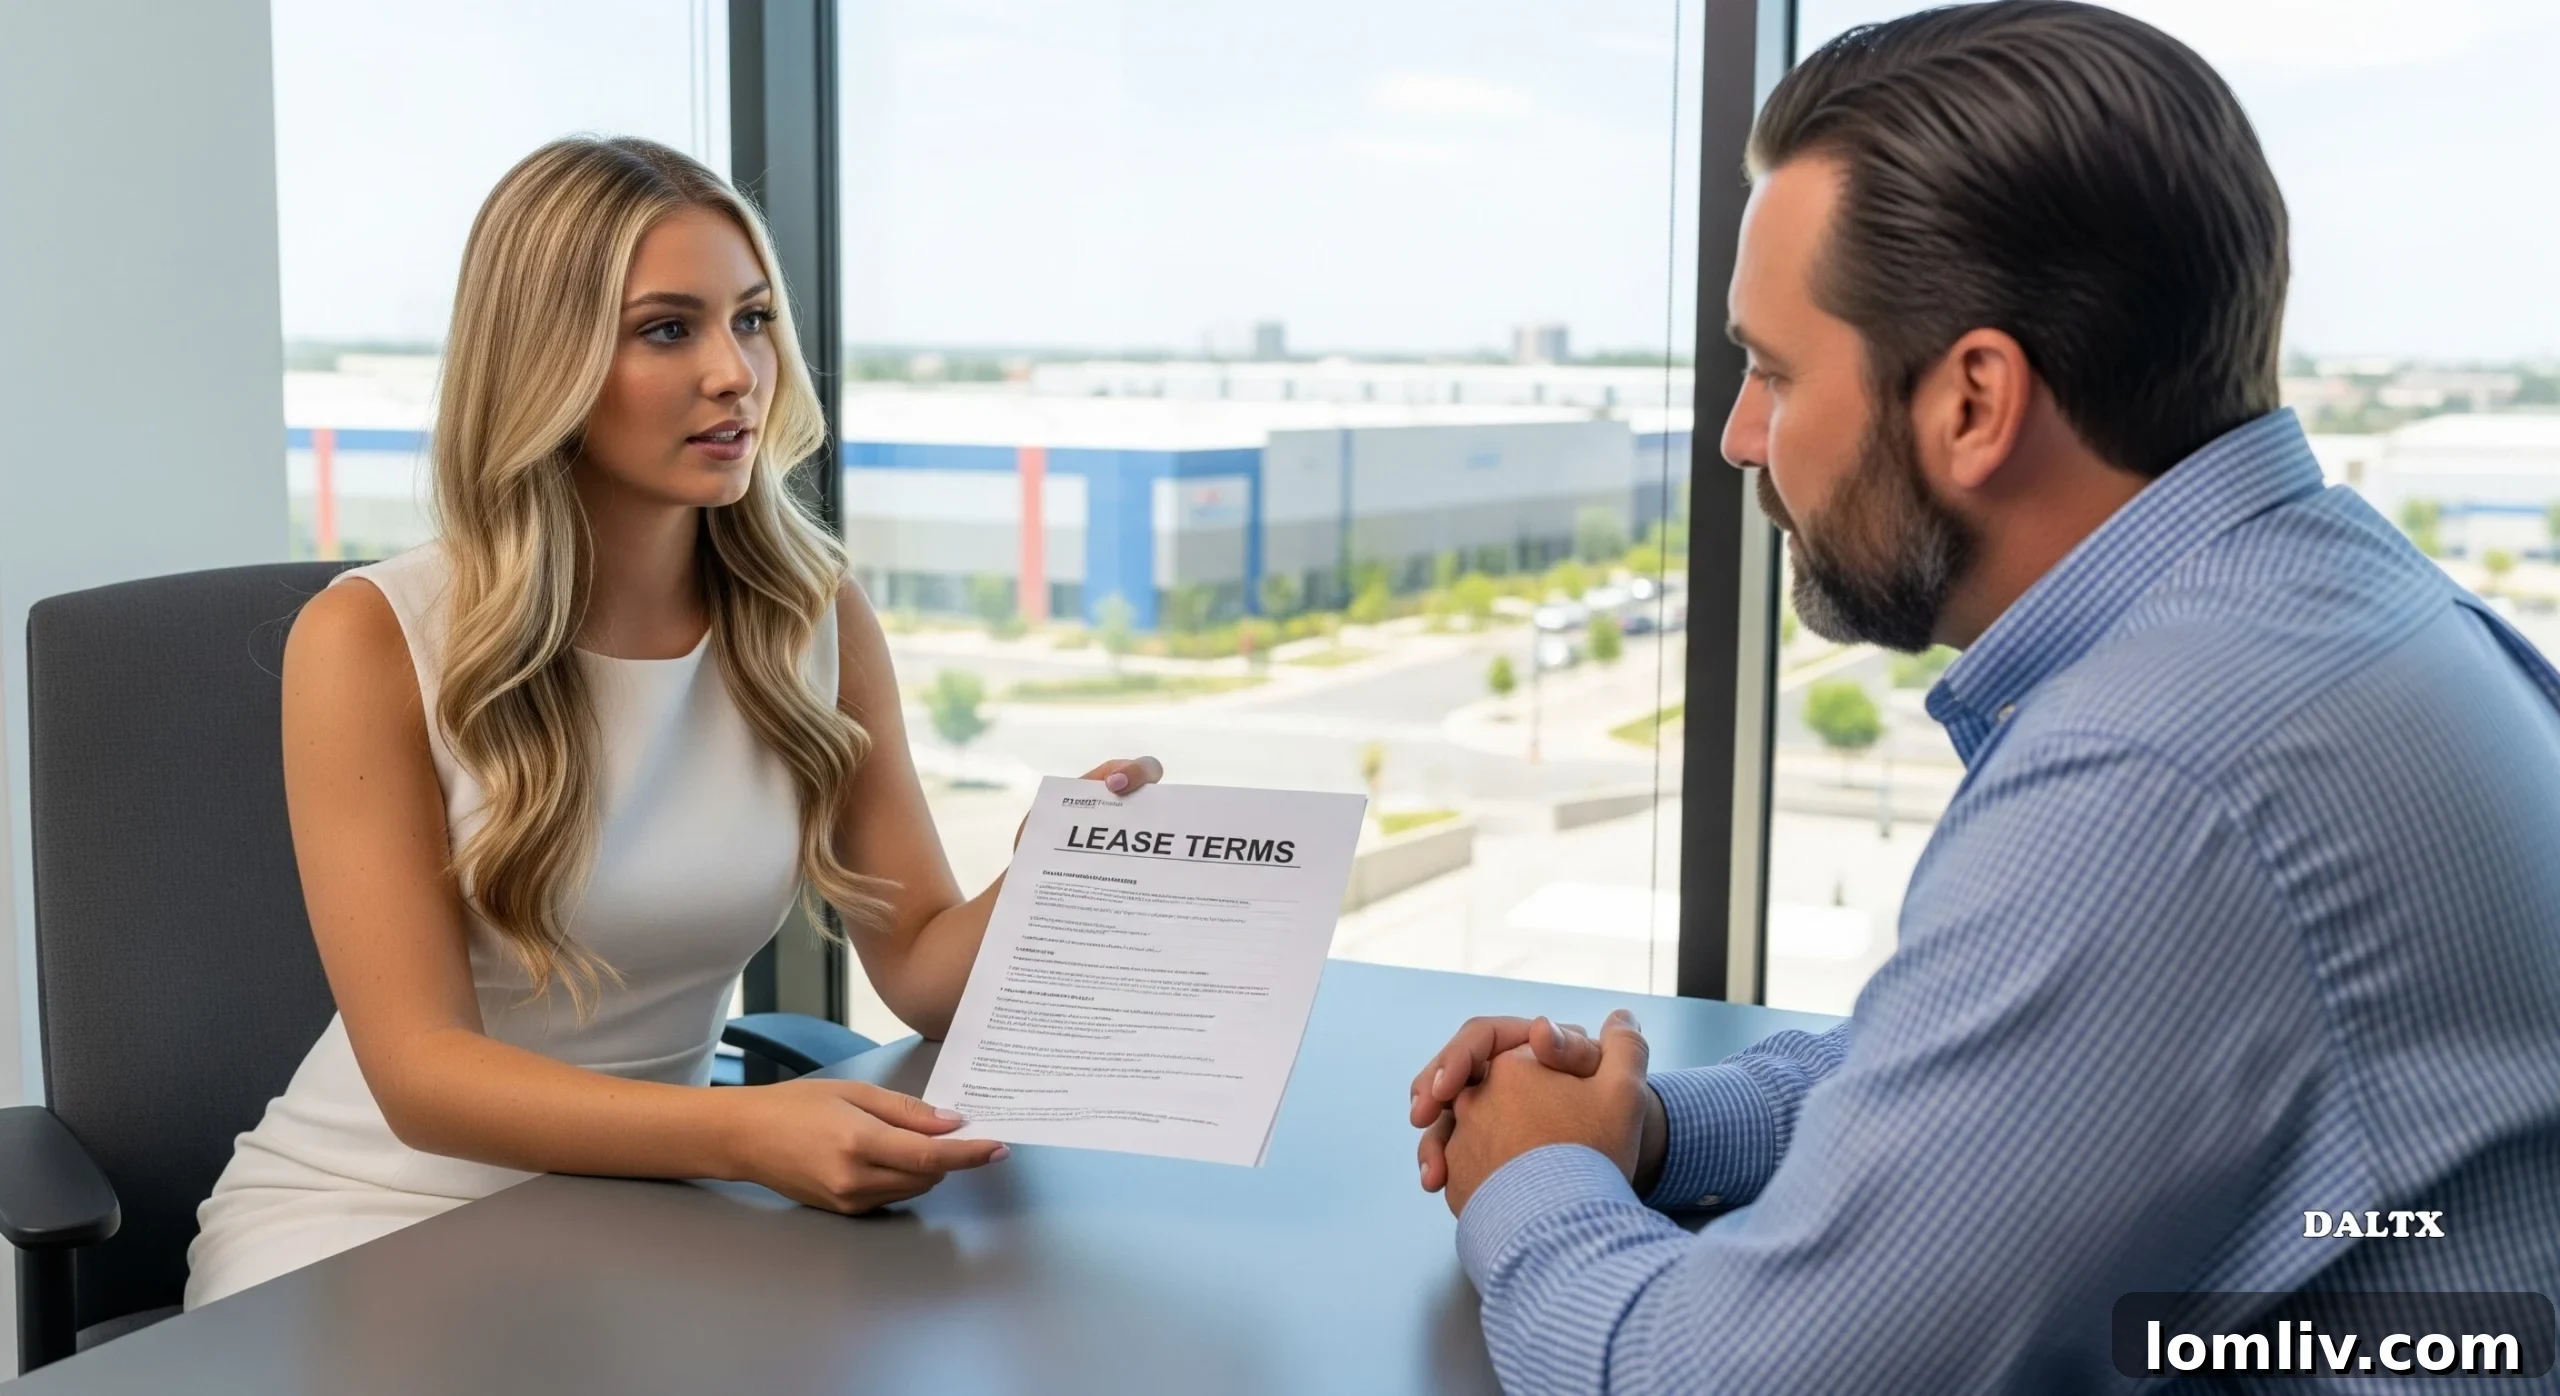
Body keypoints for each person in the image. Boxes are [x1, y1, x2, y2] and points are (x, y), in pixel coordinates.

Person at [1406, 4, 2560, 1390]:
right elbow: (2024, 1087)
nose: (1740, 439)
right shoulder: (2341, 604)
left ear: (1973, 404)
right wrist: (1643, 1128)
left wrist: (1533, 1184)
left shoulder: (2154, 776)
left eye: (1775, 371)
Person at [185, 137, 1161, 1308]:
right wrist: (741, 1135)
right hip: (373, 1211)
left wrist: (1054, 872)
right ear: (544, 362)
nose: (736, 373)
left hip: (639, 1207)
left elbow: (921, 970)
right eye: (667, 329)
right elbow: (421, 1075)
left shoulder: (813, 620)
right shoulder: (372, 639)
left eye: (750, 320)